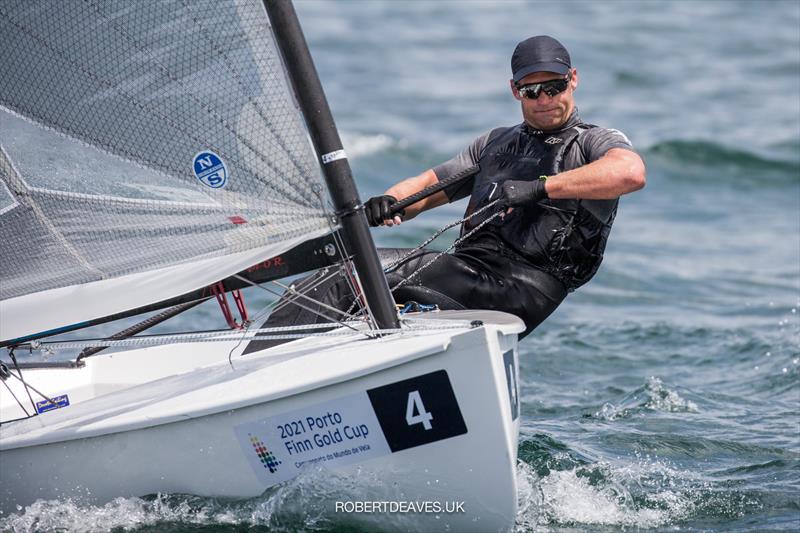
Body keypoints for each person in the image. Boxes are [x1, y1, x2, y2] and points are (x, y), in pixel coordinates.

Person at [267, 35, 645, 340]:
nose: (545, 99)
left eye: (555, 87)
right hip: (467, 273)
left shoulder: (592, 141)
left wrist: (540, 188)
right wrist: (391, 201)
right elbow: (431, 184)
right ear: (515, 91)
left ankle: (256, 374)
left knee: (352, 278)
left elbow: (629, 173)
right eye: (532, 91)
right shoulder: (495, 143)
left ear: (573, 79)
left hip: (523, 289)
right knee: (335, 278)